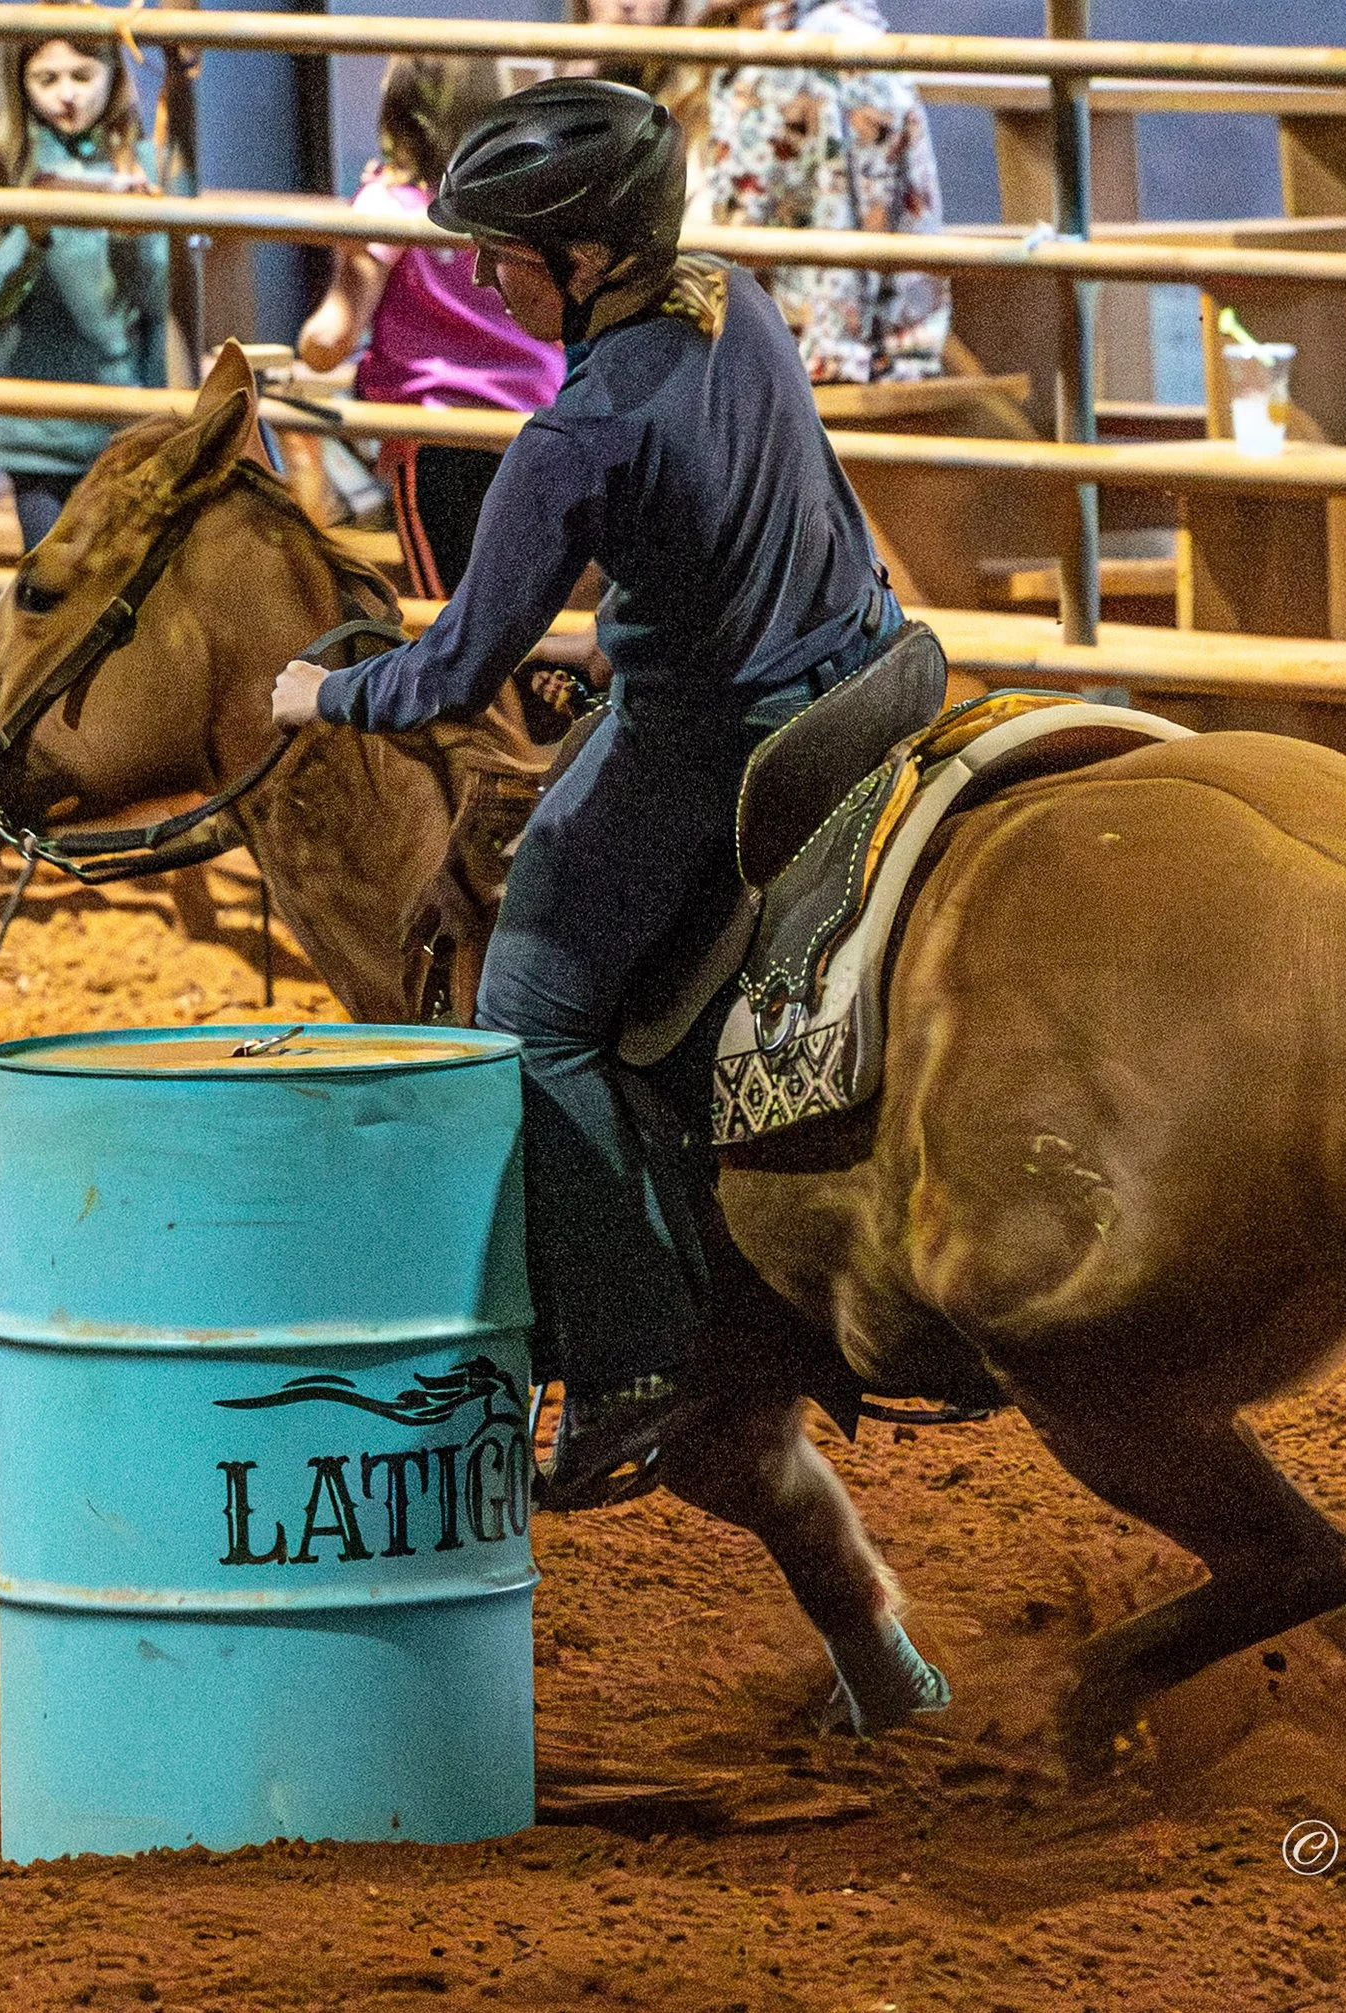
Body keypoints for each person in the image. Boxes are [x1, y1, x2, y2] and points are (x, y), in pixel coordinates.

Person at [269, 79, 903, 1506]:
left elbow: (446, 676)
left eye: (504, 253)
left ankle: (629, 1362)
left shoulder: (576, 437)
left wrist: (322, 693)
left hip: (717, 733)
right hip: (870, 660)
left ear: (592, 260)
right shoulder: (733, 302)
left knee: (532, 1012)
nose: (481, 275)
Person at [298, 58, 566, 599]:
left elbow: (331, 340)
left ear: (399, 118)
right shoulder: (519, 204)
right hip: (537, 429)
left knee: (449, 610)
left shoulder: (389, 207)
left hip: (437, 440)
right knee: (525, 607)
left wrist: (304, 353)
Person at [0, 36, 174, 550]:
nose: (66, 96)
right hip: (38, 437)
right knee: (54, 601)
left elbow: (156, 303)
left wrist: (135, 239)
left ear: (112, 76)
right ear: (21, 84)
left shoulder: (142, 161)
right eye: (46, 79)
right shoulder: (2, 165)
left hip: (125, 432)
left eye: (83, 76)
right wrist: (31, 230)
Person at [695, 0, 950, 384]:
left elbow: (842, 236)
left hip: (824, 360)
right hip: (799, 347)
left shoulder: (816, 49)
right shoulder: (770, 40)